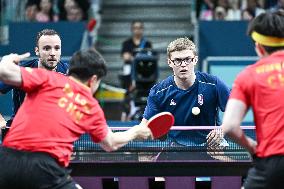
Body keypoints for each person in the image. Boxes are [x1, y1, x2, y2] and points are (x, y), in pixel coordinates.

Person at [0, 49, 152, 189]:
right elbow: (110, 143)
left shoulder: (48, 77)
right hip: (44, 169)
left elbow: (4, 73)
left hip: (6, 161)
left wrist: (8, 59)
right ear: (93, 80)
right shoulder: (91, 107)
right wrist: (136, 131)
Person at [217, 10, 284, 188]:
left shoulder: (248, 75)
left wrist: (253, 147)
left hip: (273, 162)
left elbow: (230, 126)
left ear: (259, 47)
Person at [141, 37, 230, 149]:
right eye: (178, 60)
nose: (183, 65)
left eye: (188, 59)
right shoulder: (159, 92)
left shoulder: (214, 84)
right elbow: (144, 126)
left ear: (195, 60)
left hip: (212, 146)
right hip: (175, 148)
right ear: (170, 62)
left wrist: (222, 129)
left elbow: (235, 113)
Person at [0, 29, 69, 141]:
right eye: (46, 48)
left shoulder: (67, 72)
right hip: (19, 134)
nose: (52, 53)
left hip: (51, 137)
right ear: (37, 51)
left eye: (57, 48)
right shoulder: (21, 71)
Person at [120, 20, 153, 121]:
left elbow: (150, 57)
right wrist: (138, 58)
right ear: (132, 29)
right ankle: (125, 115)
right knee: (128, 94)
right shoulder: (126, 43)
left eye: (139, 28)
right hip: (129, 73)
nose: (137, 30)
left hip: (143, 72)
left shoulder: (147, 43)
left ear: (142, 30)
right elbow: (125, 57)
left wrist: (133, 57)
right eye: (135, 28)